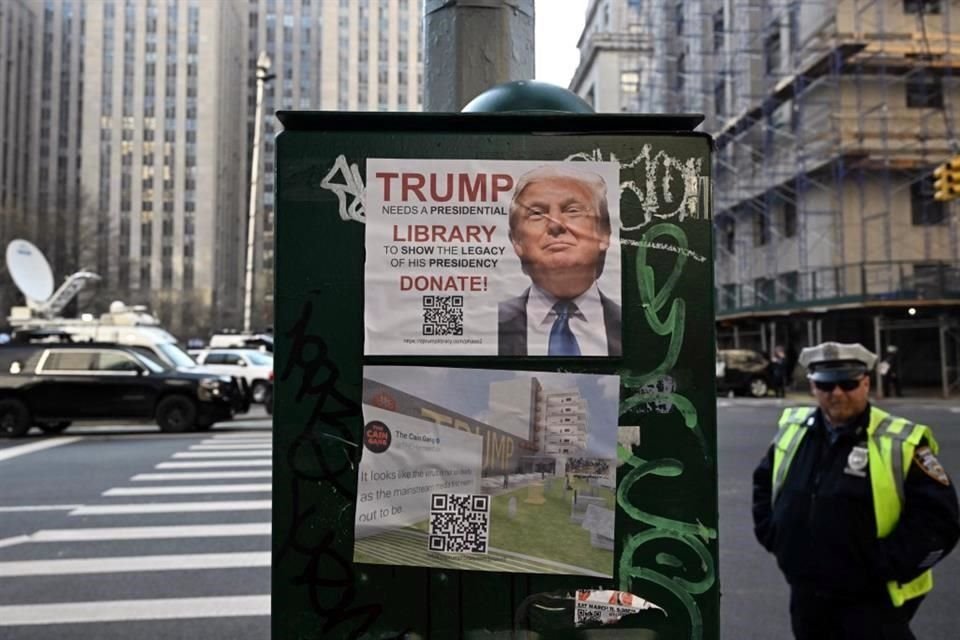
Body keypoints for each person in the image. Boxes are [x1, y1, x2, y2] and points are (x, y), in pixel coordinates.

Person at [752, 341, 959, 640]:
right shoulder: (795, 430)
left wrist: (883, 566)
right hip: (807, 592)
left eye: (847, 384)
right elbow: (764, 484)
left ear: (865, 384)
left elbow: (941, 522)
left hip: (870, 601)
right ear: (813, 387)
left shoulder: (901, 441)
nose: (836, 393)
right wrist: (776, 536)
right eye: (826, 385)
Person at [498, 166, 621, 356]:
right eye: (537, 213)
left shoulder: (634, 325)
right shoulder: (488, 325)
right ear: (516, 240)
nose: (555, 224)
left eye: (572, 210)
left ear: (604, 233)